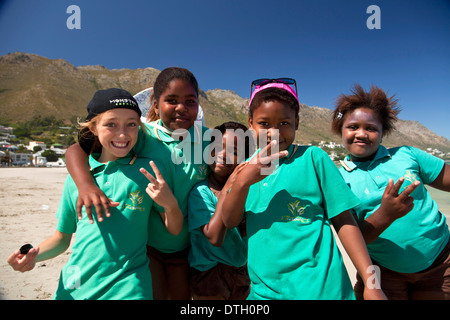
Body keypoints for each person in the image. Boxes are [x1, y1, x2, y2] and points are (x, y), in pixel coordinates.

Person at [7, 88, 182, 300]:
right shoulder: (78, 180)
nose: (122, 134)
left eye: (131, 124)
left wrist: (171, 205)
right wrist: (34, 257)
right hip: (75, 286)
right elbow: (62, 239)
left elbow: (174, 228)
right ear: (93, 128)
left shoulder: (146, 172)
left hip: (130, 287)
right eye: (111, 124)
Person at [221, 78, 387, 300]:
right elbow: (230, 221)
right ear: (250, 123)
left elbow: (344, 222)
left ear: (296, 122)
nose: (274, 132)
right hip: (264, 293)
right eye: (264, 124)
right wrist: (243, 182)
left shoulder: (313, 158)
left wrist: (371, 283)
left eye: (284, 123)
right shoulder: (244, 170)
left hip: (323, 290)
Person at [64, 67, 211, 299]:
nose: (181, 108)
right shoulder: (143, 134)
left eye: (190, 101)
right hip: (147, 248)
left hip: (189, 246)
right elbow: (76, 150)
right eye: (171, 100)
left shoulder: (208, 141)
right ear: (155, 104)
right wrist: (86, 185)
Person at [331, 84, 450, 300]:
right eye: (352, 127)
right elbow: (353, 238)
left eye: (371, 128)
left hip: (441, 264)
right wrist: (385, 215)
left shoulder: (408, 155)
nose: (361, 134)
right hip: (381, 272)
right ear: (341, 129)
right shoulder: (338, 179)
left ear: (383, 132)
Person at [188, 121, 251, 300]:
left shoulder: (246, 191)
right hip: (208, 274)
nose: (223, 155)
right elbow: (214, 237)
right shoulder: (200, 192)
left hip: (241, 272)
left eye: (235, 152)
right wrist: (225, 191)